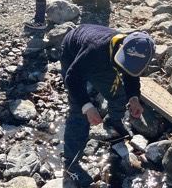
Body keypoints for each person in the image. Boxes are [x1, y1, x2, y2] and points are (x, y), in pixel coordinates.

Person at [60, 24, 155, 186]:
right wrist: (87, 106)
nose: (123, 68)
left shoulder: (133, 51)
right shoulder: (94, 50)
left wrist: (134, 98)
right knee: (79, 112)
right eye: (122, 62)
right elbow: (72, 78)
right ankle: (70, 163)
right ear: (122, 46)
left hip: (106, 60)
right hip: (73, 51)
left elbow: (132, 74)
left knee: (119, 94)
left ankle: (113, 122)